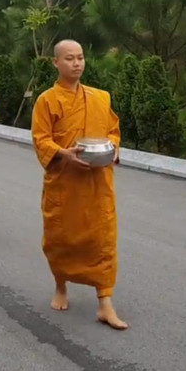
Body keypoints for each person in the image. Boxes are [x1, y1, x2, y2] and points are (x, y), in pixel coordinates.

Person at [31, 39, 127, 330]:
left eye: (81, 57)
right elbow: (41, 138)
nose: (77, 63)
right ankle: (61, 285)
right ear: (56, 63)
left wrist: (112, 148)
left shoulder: (101, 97)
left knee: (103, 239)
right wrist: (63, 154)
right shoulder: (46, 100)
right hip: (65, 183)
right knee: (62, 237)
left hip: (97, 183)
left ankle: (105, 301)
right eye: (70, 58)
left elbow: (113, 131)